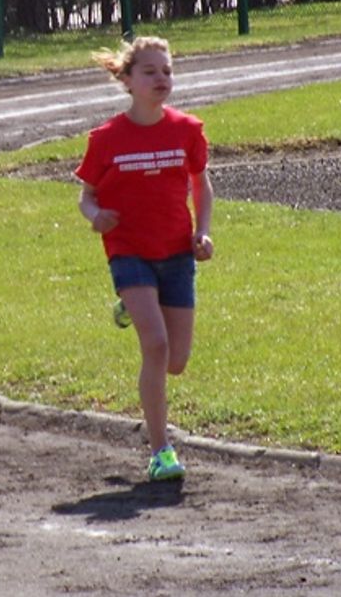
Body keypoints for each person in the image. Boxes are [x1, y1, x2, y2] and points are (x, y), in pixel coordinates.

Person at [75, 36, 214, 482]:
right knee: (154, 346)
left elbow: (201, 185)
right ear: (128, 81)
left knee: (176, 361)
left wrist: (203, 231)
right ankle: (161, 451)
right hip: (128, 252)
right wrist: (96, 216)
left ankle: (135, 309)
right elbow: (86, 196)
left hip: (175, 253)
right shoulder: (106, 138)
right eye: (150, 72)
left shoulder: (187, 130)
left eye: (167, 71)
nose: (161, 79)